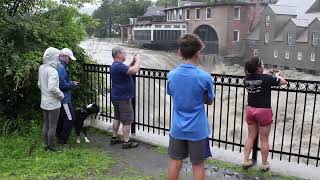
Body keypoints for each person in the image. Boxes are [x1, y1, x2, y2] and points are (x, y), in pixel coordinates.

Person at [167, 33, 214, 180]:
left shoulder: (171, 75)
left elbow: (173, 93)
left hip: (177, 127)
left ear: (180, 52)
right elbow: (209, 100)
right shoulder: (205, 77)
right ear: (198, 52)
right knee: (198, 165)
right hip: (197, 130)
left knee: (175, 162)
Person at [242, 57, 287, 171]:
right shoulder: (267, 79)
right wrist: (277, 76)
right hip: (263, 111)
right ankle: (264, 164)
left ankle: (246, 160)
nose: (263, 65)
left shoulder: (246, 79)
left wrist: (268, 74)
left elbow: (258, 78)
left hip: (250, 110)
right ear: (259, 67)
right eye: (262, 64)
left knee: (250, 136)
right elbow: (284, 82)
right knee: (264, 139)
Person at [110, 46, 140, 149]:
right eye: (124, 53)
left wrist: (132, 62)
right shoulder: (119, 66)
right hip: (123, 98)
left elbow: (127, 69)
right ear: (119, 54)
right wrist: (138, 60)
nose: (125, 55)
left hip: (116, 96)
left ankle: (114, 138)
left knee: (117, 117)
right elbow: (134, 70)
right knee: (127, 121)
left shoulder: (116, 66)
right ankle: (126, 142)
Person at [38, 47, 64, 151]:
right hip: (53, 103)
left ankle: (45, 145)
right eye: (58, 57)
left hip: (44, 101)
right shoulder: (53, 71)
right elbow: (52, 88)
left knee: (46, 124)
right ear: (53, 57)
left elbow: (39, 84)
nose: (59, 59)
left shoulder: (42, 67)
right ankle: (51, 147)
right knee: (53, 126)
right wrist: (61, 95)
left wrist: (45, 93)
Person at [56, 48, 79, 145]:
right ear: (65, 56)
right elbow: (61, 85)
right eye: (69, 58)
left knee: (62, 119)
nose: (69, 60)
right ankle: (63, 140)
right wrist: (72, 84)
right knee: (70, 119)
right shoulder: (61, 68)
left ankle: (59, 138)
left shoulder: (60, 66)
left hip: (61, 98)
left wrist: (70, 82)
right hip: (64, 99)